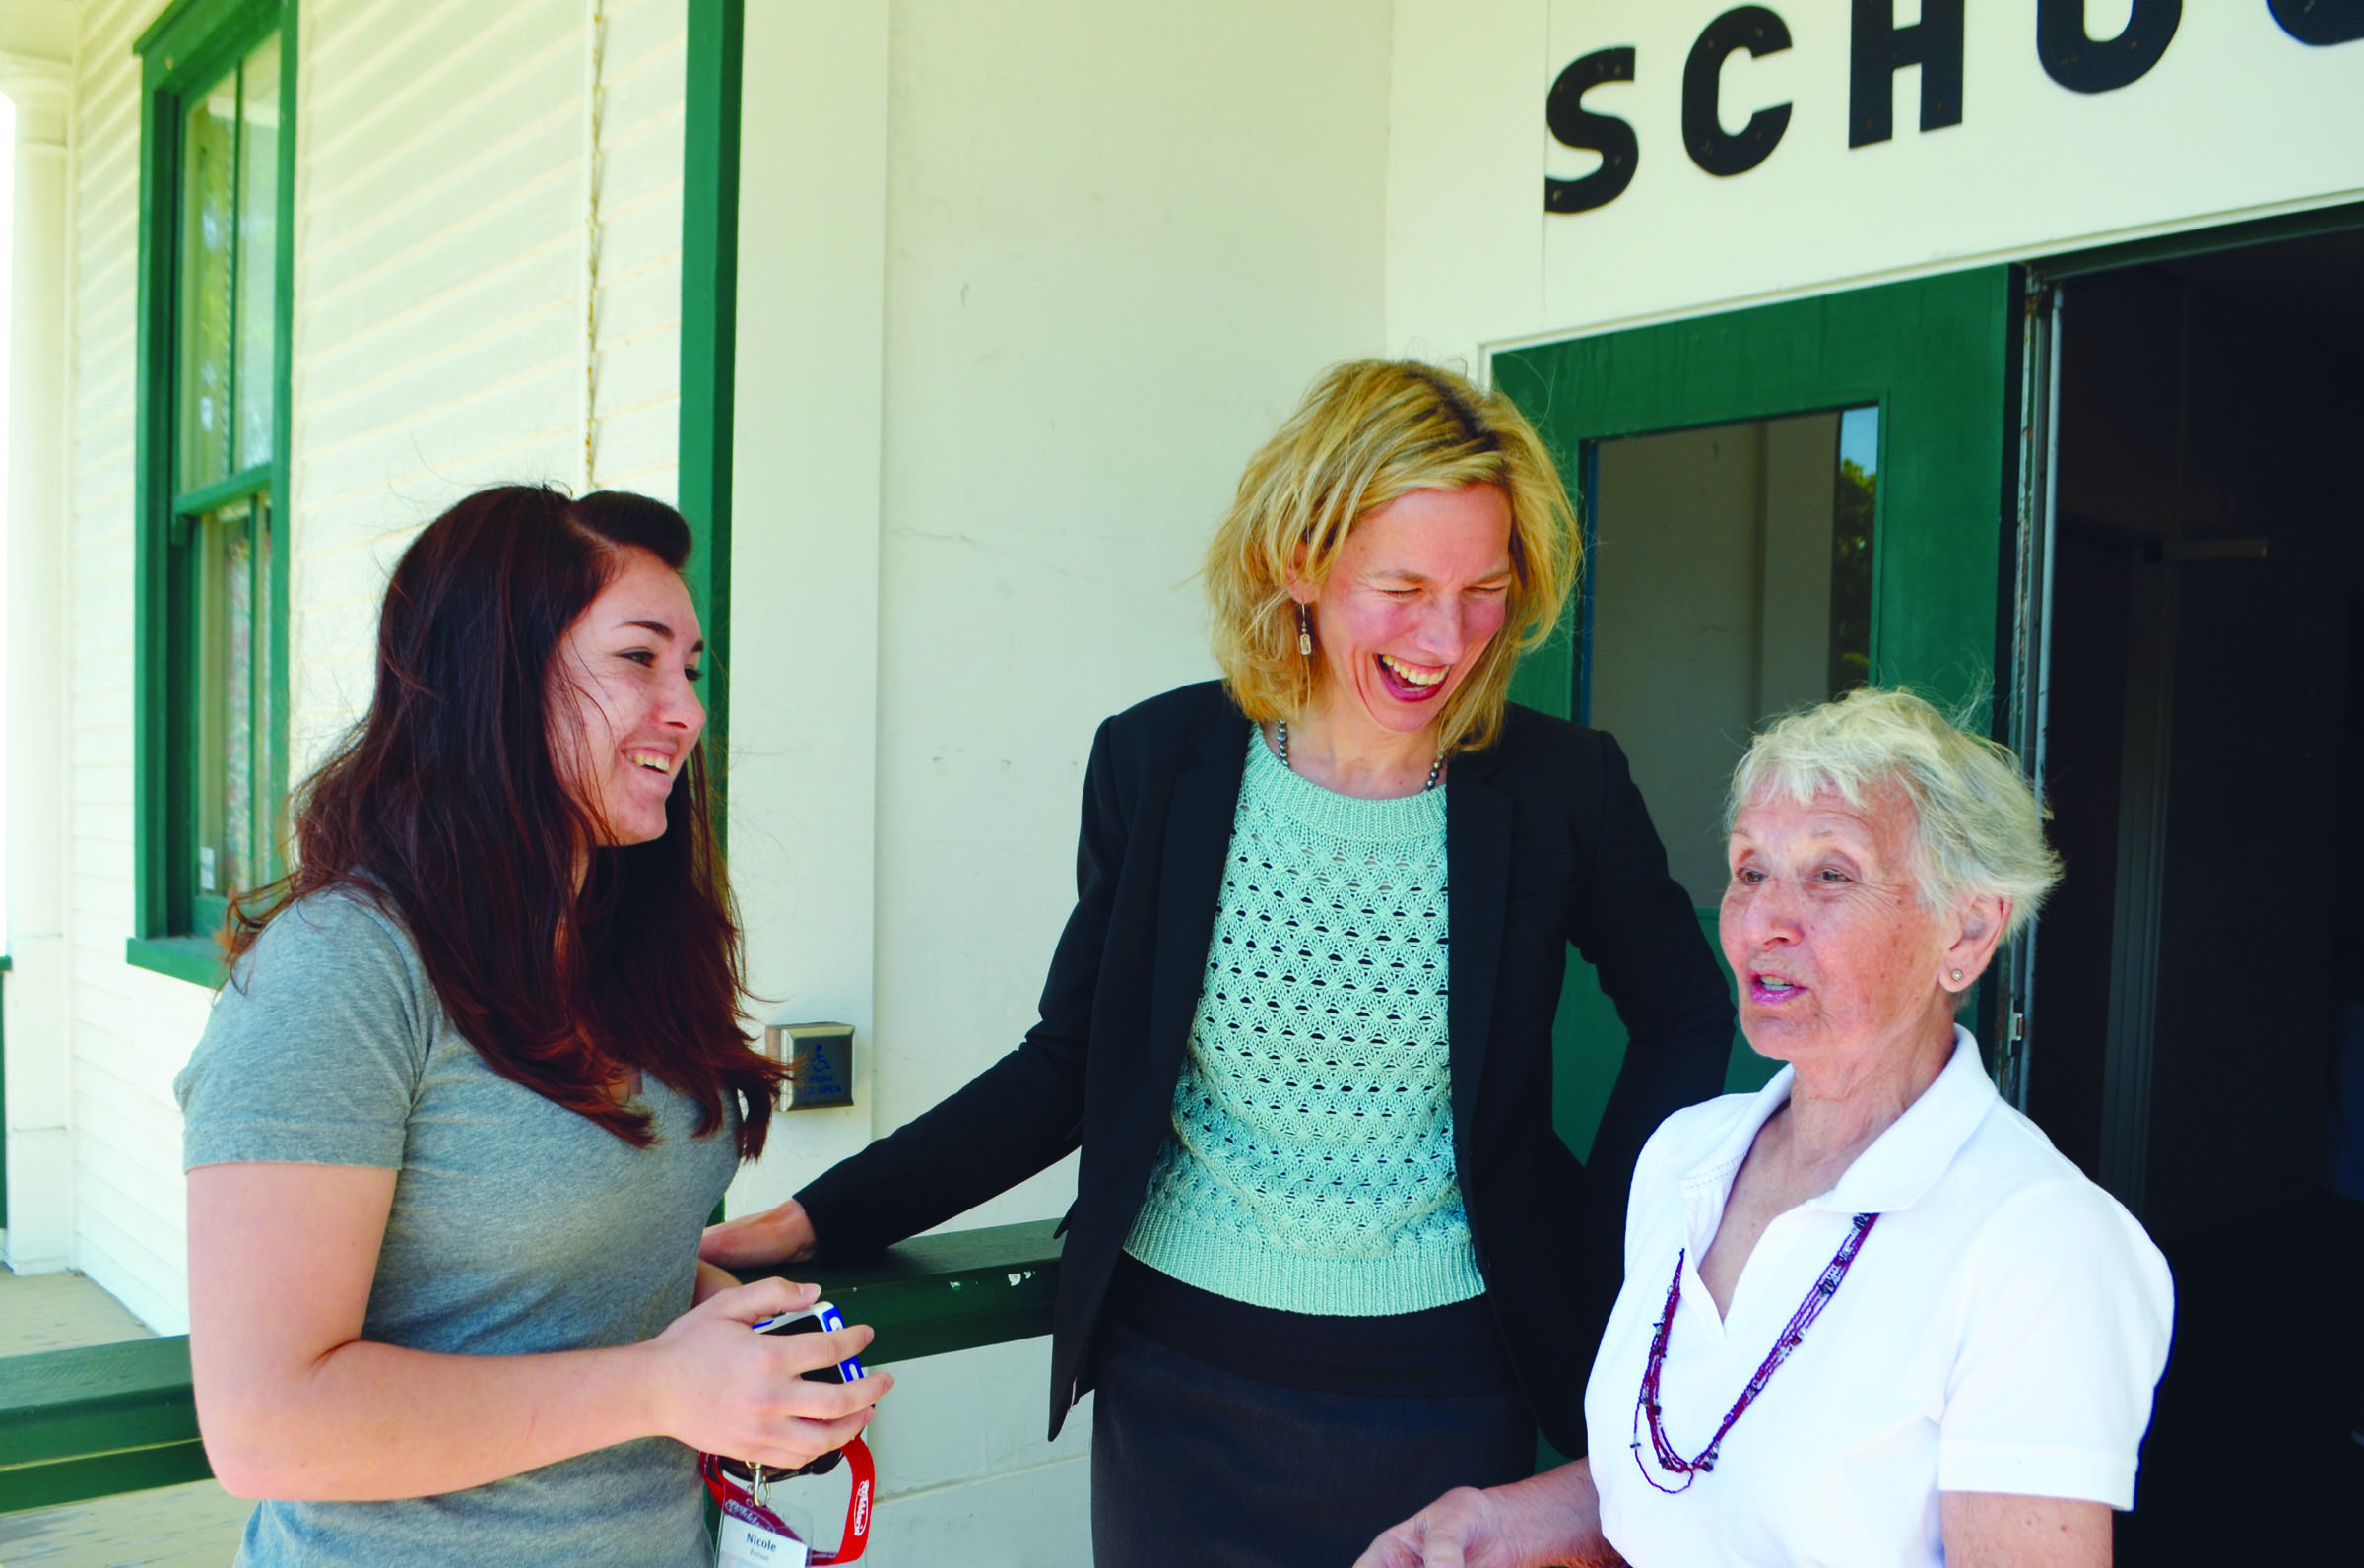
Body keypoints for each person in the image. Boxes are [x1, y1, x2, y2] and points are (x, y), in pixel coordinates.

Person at [701, 360, 1736, 1564]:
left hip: (1453, 1386)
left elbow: (1681, 1009)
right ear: (1299, 561)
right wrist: (818, 1213)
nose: (1445, 637)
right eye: (1400, 587)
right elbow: (1069, 1062)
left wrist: (1616, 1242)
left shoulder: (1562, 785)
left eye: (1484, 591)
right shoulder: (1160, 763)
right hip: (1178, 1383)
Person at [175, 487, 891, 1567]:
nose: (687, 709)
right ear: (493, 676)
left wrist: (745, 1357)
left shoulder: (623, 950)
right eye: (638, 658)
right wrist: (661, 1384)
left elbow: (554, 1253)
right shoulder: (344, 970)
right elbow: (264, 1422)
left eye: (690, 667)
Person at [1359, 688, 2175, 1568]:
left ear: (1968, 932)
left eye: (1831, 874)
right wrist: (1489, 1524)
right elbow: (1684, 1483)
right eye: (1750, 870)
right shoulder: (1686, 1158)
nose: (1763, 924)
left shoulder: (2043, 1243)